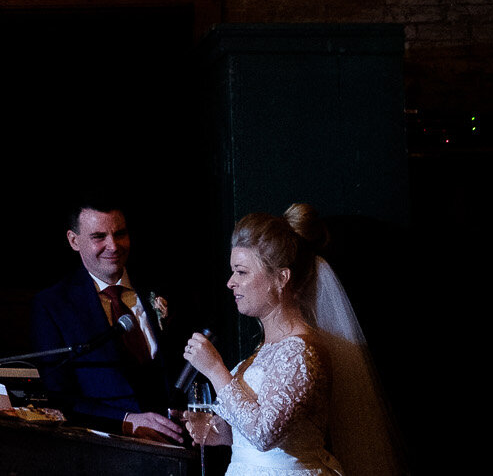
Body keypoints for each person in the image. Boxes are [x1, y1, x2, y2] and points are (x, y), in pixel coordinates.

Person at [181, 204, 401, 476]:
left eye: (241, 271)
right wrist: (217, 431)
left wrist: (215, 369)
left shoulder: (301, 353)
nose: (230, 282)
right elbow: (254, 431)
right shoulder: (264, 350)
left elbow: (264, 434)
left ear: (281, 278)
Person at [29, 198, 184, 440]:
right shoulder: (53, 306)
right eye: (99, 237)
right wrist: (125, 421)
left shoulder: (163, 287)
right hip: (107, 447)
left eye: (120, 234)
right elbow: (59, 396)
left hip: (182, 442)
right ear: (74, 240)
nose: (113, 246)